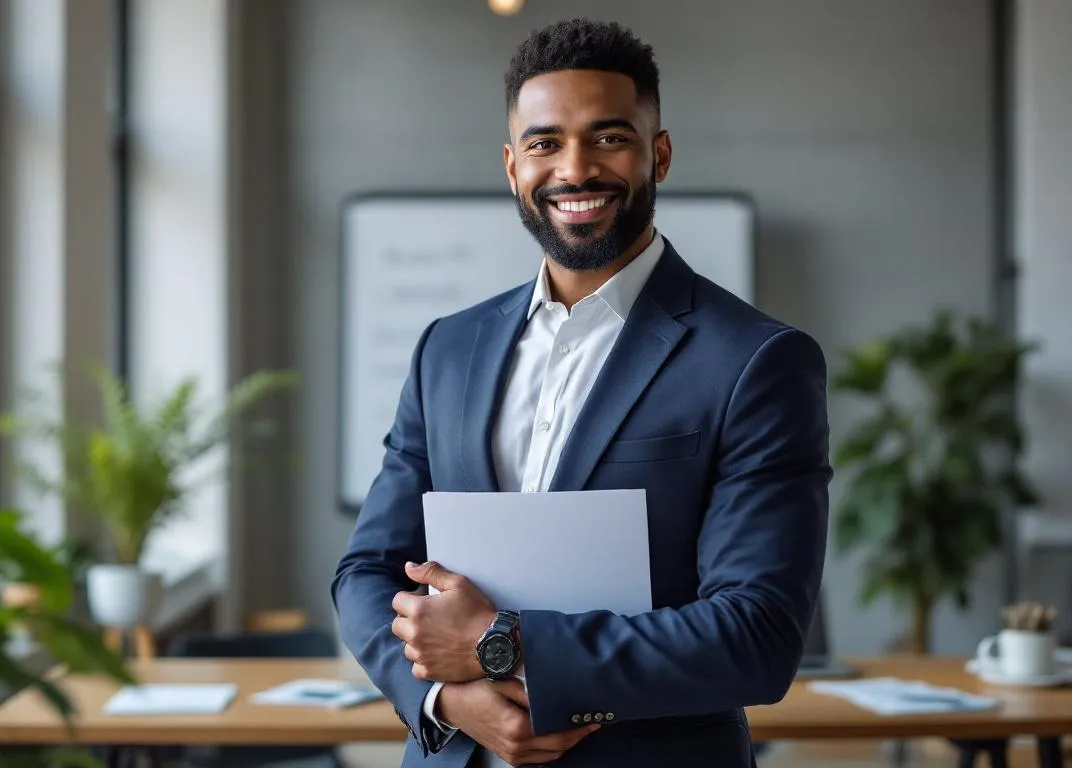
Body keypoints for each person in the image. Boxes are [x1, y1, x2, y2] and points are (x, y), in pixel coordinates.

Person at [331, 17, 830, 767]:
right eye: (544, 143)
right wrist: (451, 700)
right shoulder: (448, 348)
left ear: (657, 152)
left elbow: (757, 635)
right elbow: (367, 572)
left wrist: (502, 645)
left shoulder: (757, 361)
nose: (575, 168)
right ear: (511, 166)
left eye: (609, 137)